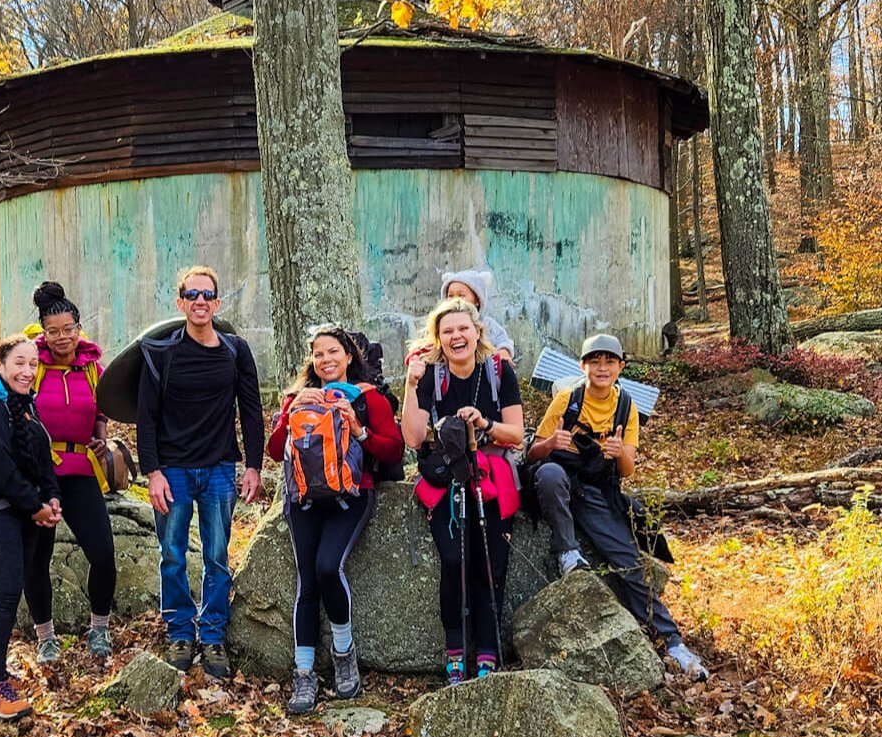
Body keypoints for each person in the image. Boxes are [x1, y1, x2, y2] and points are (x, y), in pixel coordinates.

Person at [527, 333, 708, 682]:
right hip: (560, 482)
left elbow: (627, 470)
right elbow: (533, 454)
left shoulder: (626, 408)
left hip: (597, 492)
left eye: (609, 361)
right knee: (549, 474)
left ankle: (673, 642)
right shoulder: (567, 399)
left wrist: (619, 452)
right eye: (595, 361)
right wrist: (551, 444)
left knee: (629, 562)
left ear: (621, 366)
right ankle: (568, 552)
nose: (602, 368)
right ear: (583, 366)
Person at [266, 325, 404, 714]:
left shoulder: (368, 397)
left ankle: (344, 654)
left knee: (328, 566)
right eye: (318, 354)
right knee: (306, 580)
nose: (325, 360)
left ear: (348, 356)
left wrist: (358, 430)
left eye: (333, 352)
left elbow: (394, 451)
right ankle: (304, 673)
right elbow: (275, 451)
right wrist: (291, 411)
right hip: (304, 498)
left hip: (352, 494)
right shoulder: (299, 396)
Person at [137, 265, 264, 678]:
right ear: (180, 303)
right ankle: (179, 631)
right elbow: (146, 418)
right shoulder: (161, 353)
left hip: (219, 469)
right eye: (192, 295)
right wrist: (152, 472)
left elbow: (251, 410)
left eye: (207, 295)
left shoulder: (235, 351)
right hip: (173, 469)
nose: (200, 301)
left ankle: (212, 635)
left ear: (217, 302)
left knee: (217, 555)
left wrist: (254, 465)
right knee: (172, 554)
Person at [401, 298, 525, 683]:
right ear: (438, 338)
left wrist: (484, 423)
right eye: (447, 331)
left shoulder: (499, 371)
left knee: (490, 565)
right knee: (454, 561)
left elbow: (516, 434)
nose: (456, 337)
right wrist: (410, 385)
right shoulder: (430, 376)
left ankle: (487, 649)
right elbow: (413, 438)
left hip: (491, 476)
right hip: (448, 478)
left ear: (477, 332)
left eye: (462, 329)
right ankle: (455, 646)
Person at [0, 335, 62, 720]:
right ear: (0, 365)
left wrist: (51, 496)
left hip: (18, 511)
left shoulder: (24, 407)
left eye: (33, 364)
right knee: (4, 596)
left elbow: (41, 459)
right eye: (19, 363)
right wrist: (35, 507)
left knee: (11, 592)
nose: (27, 371)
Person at [27, 282, 117, 663]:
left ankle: (99, 629)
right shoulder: (32, 365)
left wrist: (101, 437)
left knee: (103, 553)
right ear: (43, 333)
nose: (62, 337)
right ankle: (46, 637)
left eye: (68, 329)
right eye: (53, 331)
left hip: (81, 470)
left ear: (79, 327)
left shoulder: (93, 367)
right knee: (37, 558)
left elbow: (102, 408)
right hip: (39, 473)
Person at [440, 269, 516, 363]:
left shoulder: (488, 324)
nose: (455, 300)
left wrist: (504, 351)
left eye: (461, 295)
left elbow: (503, 341)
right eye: (450, 295)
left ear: (477, 300)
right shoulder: (441, 324)